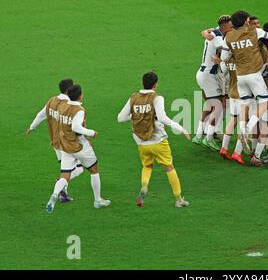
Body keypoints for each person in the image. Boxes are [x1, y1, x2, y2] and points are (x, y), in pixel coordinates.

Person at [220, 10, 268, 162]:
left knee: (244, 106)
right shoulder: (254, 31)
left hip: (240, 77)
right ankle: (246, 131)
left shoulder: (228, 37)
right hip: (254, 76)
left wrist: (236, 53)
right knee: (263, 104)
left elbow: (224, 57)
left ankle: (242, 132)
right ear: (245, 21)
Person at [117, 72, 191, 207]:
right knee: (169, 167)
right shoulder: (157, 98)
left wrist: (137, 115)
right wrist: (181, 129)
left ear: (142, 83)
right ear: (155, 84)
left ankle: (144, 186)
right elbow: (162, 118)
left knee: (147, 166)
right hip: (158, 141)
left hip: (141, 142)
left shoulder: (133, 97)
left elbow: (120, 118)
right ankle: (179, 199)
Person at [46, 85, 110, 213]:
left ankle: (54, 195)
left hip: (65, 146)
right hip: (79, 146)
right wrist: (92, 133)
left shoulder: (62, 106)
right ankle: (97, 200)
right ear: (80, 96)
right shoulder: (79, 110)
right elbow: (76, 127)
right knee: (94, 170)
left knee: (64, 176)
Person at [26, 78, 84, 202]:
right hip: (67, 144)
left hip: (55, 143)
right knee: (79, 169)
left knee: (66, 169)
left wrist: (31, 127)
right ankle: (61, 182)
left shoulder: (52, 101)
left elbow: (41, 115)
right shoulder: (68, 106)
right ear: (69, 90)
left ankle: (63, 194)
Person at [194, 15, 233, 150]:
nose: (232, 28)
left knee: (212, 105)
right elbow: (227, 49)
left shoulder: (216, 32)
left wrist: (205, 31)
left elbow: (209, 32)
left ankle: (199, 135)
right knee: (218, 105)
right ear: (224, 26)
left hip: (207, 74)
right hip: (208, 75)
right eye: (230, 26)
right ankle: (208, 138)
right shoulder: (216, 37)